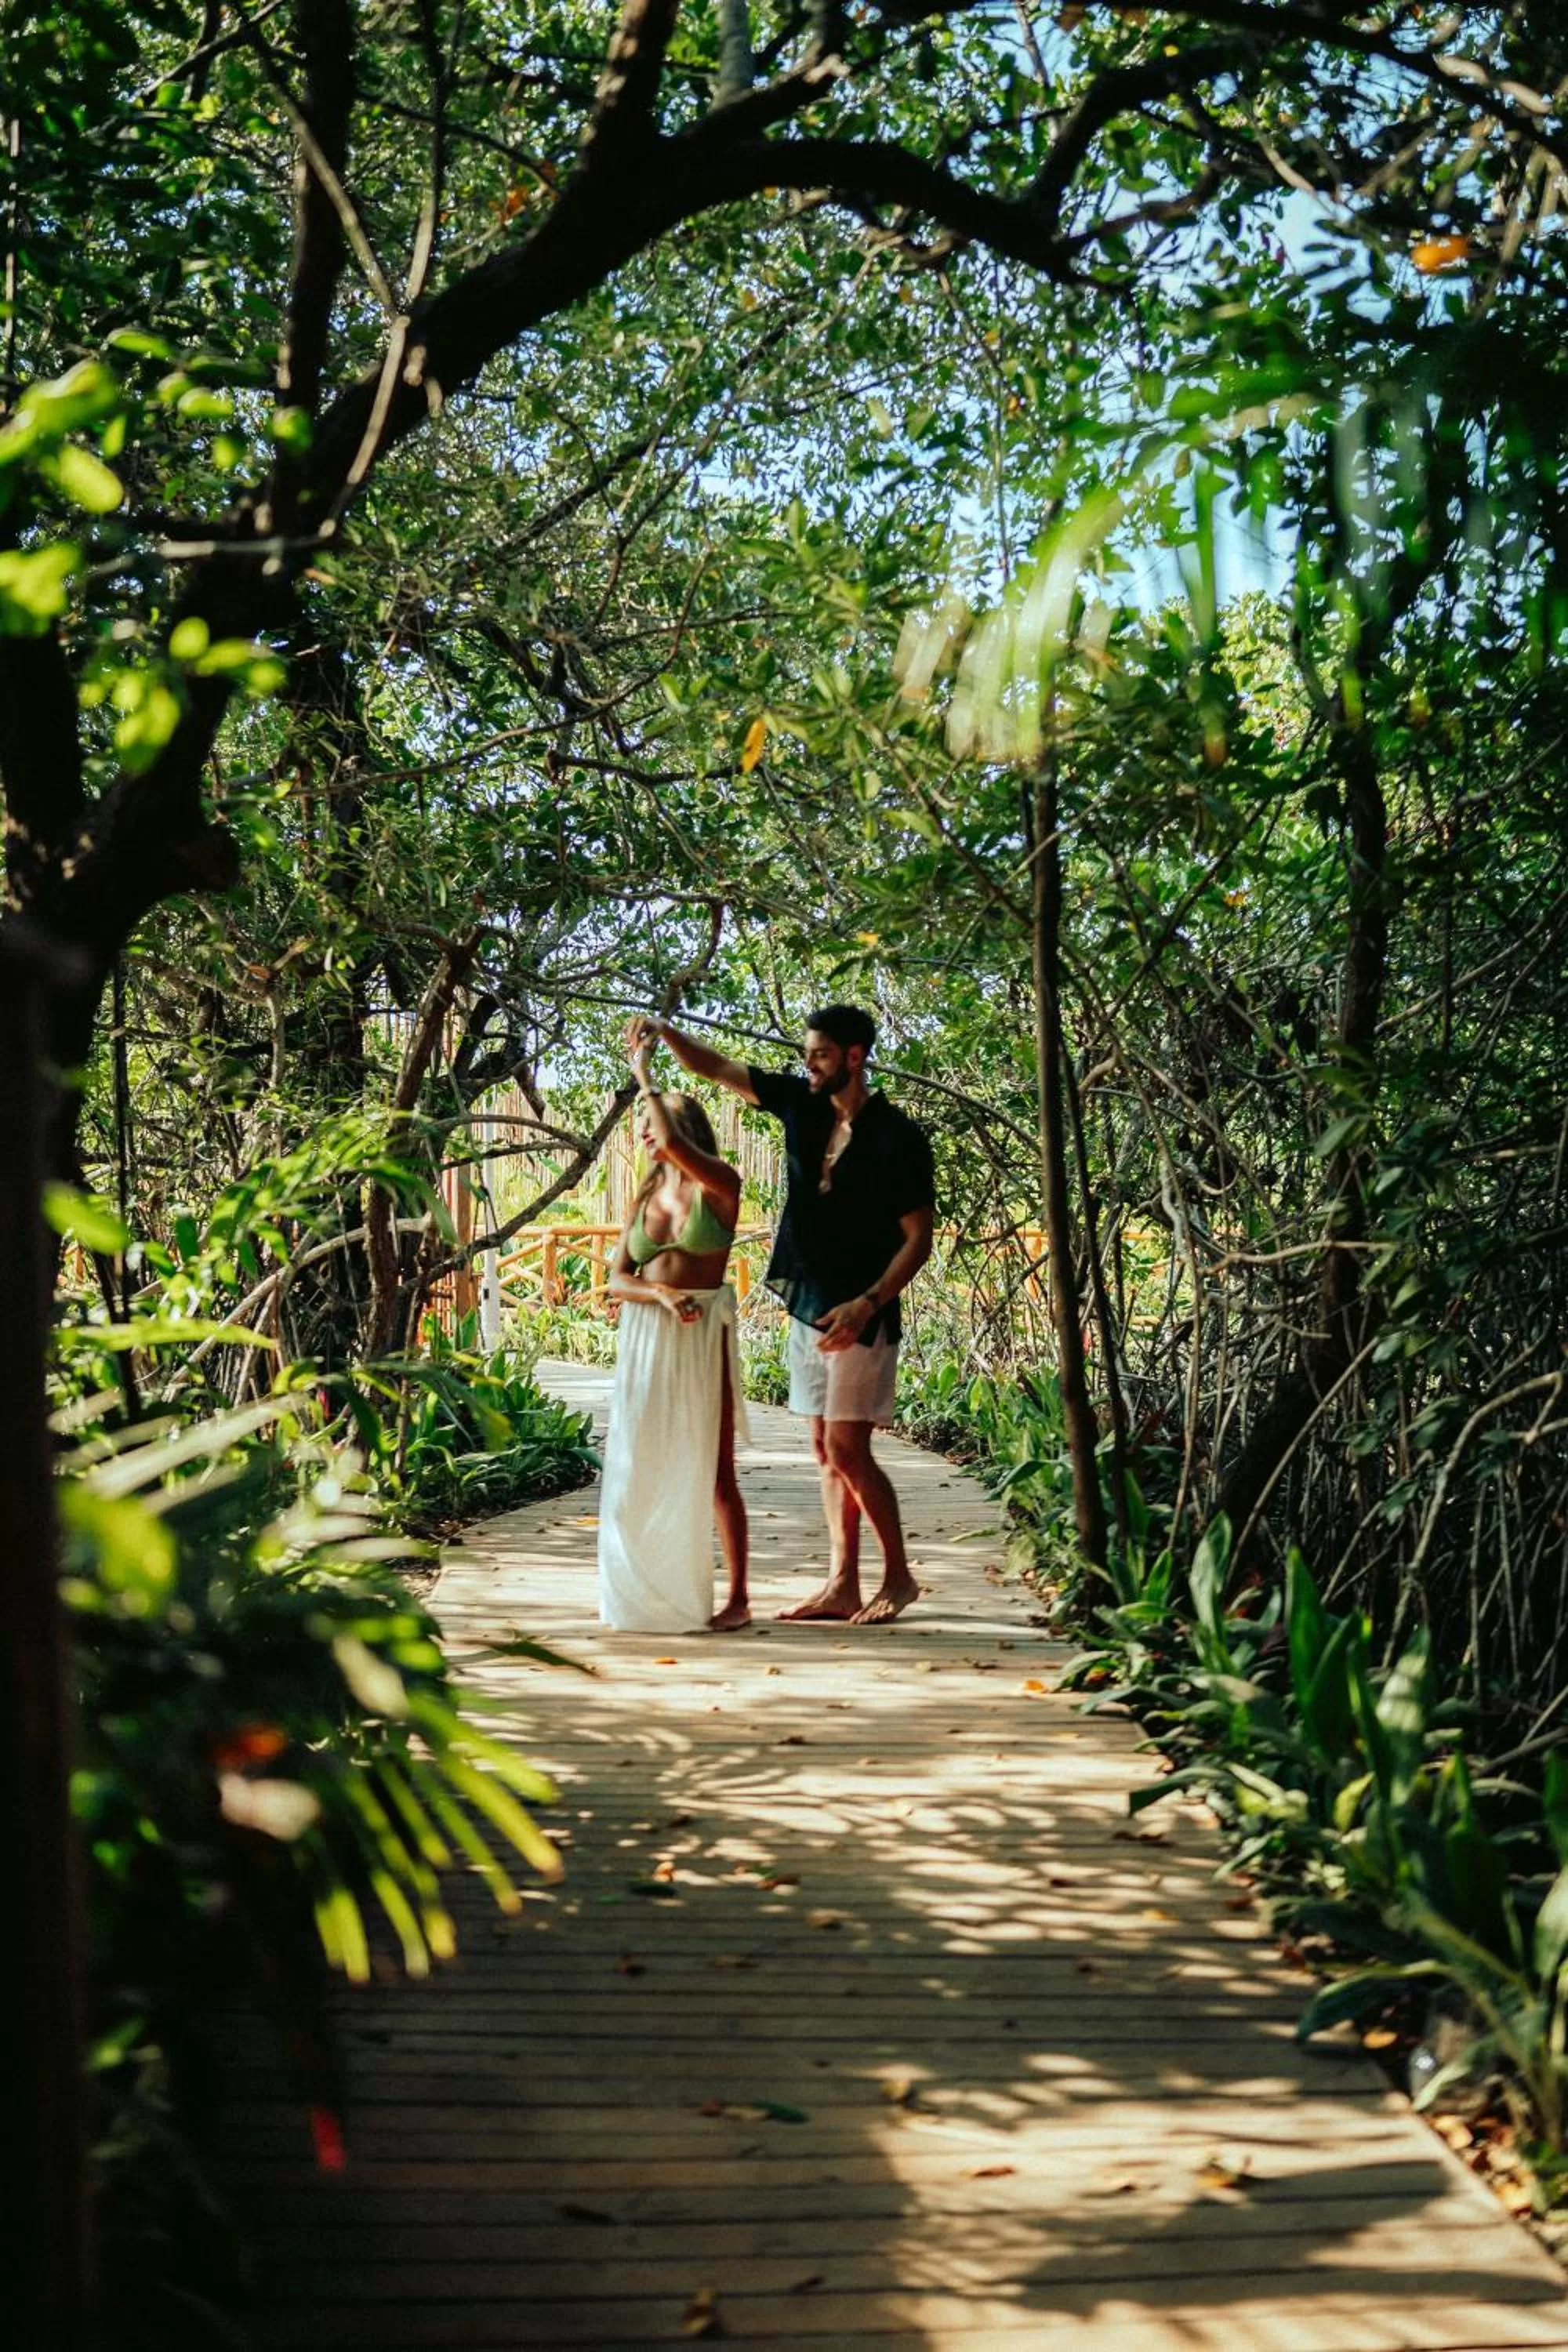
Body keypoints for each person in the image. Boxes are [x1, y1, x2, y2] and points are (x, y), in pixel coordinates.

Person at [629, 1004, 935, 1624]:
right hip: (810, 1306)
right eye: (807, 1053)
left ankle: (898, 1576)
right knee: (824, 1448)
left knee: (848, 1449)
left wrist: (870, 1301)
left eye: (820, 1054)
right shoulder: (800, 1103)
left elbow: (918, 1238)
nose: (809, 1063)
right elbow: (714, 1067)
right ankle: (841, 1582)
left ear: (855, 1056)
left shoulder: (897, 1137)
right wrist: (664, 1033)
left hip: (862, 1310)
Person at [597, 1032, 751, 1633]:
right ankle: (641, 1590)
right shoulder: (644, 1198)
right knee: (638, 1463)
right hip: (646, 1337)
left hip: (700, 1336)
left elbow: (665, 1136)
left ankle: (737, 1596)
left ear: (683, 1130)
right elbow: (616, 1280)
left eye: (651, 1120)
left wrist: (644, 1071)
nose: (643, 1132)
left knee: (715, 1471)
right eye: (640, 1121)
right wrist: (657, 1293)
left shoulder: (720, 1187)